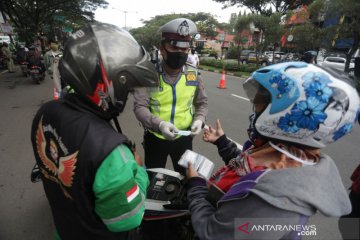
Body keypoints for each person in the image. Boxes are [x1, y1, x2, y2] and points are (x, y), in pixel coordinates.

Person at [185, 62, 359, 239]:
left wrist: (196, 186)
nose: (254, 111)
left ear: (292, 115)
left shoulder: (274, 201)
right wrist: (222, 143)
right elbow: (250, 172)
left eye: (261, 105)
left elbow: (212, 233)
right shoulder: (288, 156)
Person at [30, 22, 158, 240]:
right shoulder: (113, 156)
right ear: (103, 85)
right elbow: (130, 217)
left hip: (64, 230)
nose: (126, 95)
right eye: (125, 88)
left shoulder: (45, 113)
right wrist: (139, 170)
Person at [133, 18, 208, 174]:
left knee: (186, 180)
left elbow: (202, 103)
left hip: (184, 139)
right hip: (155, 138)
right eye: (174, 47)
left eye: (184, 49)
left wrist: (200, 120)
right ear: (162, 48)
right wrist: (159, 124)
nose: (180, 53)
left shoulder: (193, 74)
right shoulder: (149, 75)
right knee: (153, 180)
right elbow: (140, 106)